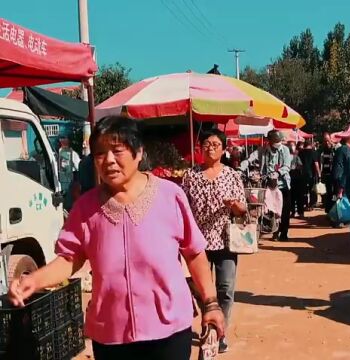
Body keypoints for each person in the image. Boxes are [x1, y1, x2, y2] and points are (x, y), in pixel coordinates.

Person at [8, 116, 224, 360]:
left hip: (168, 330)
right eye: (100, 154)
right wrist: (34, 280)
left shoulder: (170, 196)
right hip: (110, 333)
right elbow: (70, 258)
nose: (108, 160)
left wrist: (211, 303)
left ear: (139, 152)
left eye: (117, 151)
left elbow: (194, 253)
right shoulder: (85, 208)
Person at [181, 129, 247, 354]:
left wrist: (235, 206)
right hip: (198, 242)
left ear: (224, 149)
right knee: (201, 290)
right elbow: (183, 208)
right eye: (206, 144)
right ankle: (208, 322)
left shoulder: (232, 175)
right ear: (200, 148)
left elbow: (243, 209)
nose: (210, 148)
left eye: (215, 144)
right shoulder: (190, 176)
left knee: (226, 288)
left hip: (226, 240)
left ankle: (220, 332)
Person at [243, 130, 292, 241]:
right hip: (267, 186)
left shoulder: (285, 150)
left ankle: (283, 233)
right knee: (268, 209)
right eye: (275, 141)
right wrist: (240, 168)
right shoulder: (262, 150)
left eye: (279, 141)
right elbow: (249, 159)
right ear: (269, 142)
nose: (278, 144)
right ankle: (272, 229)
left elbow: (287, 166)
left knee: (284, 211)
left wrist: (278, 173)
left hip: (282, 185)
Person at [58, 134, 81, 209]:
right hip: (70, 178)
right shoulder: (73, 153)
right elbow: (78, 167)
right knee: (69, 199)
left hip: (61, 178)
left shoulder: (58, 152)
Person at [298, 138, 321, 210]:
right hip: (312, 174)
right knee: (312, 190)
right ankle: (311, 205)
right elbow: (316, 164)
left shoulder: (300, 152)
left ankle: (305, 204)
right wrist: (319, 174)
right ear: (311, 145)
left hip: (302, 174)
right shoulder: (314, 152)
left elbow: (299, 164)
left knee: (303, 190)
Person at [320, 132, 337, 213]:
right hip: (325, 174)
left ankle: (332, 209)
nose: (326, 142)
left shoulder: (334, 148)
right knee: (327, 193)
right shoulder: (322, 149)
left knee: (333, 193)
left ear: (330, 139)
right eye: (325, 141)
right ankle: (328, 209)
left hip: (333, 174)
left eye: (327, 140)